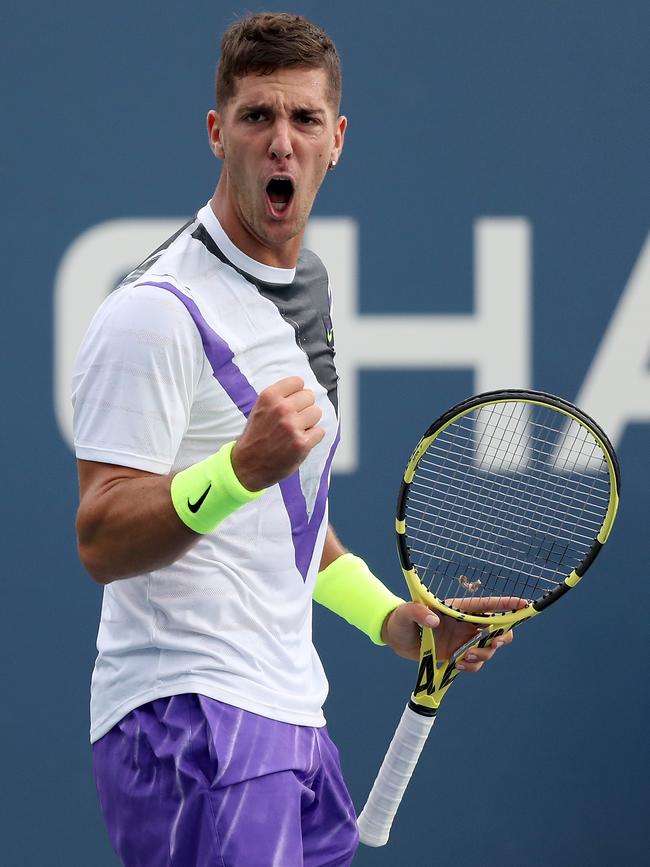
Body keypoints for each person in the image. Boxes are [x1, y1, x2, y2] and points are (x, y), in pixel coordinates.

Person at [73, 12, 514, 867]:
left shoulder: (302, 287)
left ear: (336, 140)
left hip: (290, 718)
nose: (282, 142)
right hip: (191, 718)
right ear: (217, 134)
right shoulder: (157, 312)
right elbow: (99, 535)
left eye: (304, 120)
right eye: (256, 117)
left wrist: (399, 624)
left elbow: (289, 523)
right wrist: (236, 470)